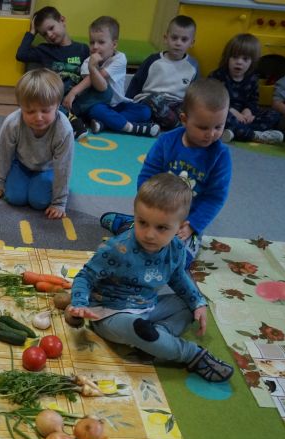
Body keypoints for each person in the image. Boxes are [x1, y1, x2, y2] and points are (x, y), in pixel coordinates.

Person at [67, 173, 233, 383]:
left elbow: (178, 277)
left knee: (190, 303)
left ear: (181, 227)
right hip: (111, 313)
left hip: (148, 306)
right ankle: (191, 355)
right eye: (142, 222)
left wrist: (197, 303)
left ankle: (158, 337)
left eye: (161, 227)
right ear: (135, 216)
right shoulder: (116, 249)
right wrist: (80, 303)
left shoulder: (176, 248)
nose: (149, 234)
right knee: (138, 329)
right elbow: (85, 276)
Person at [101, 79, 232, 267]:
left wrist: (193, 224)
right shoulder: (167, 142)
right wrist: (148, 209)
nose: (211, 134)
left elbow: (215, 197)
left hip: (186, 222)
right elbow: (147, 176)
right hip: (156, 214)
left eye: (218, 127)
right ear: (184, 119)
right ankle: (127, 223)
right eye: (203, 127)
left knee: (179, 260)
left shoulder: (220, 155)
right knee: (135, 243)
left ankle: (132, 224)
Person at [0, 69, 73, 218]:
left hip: (47, 168)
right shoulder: (12, 123)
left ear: (57, 105)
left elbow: (63, 166)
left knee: (39, 201)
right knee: (14, 198)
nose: (38, 117)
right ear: (20, 107)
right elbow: (3, 155)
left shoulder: (64, 130)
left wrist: (59, 202)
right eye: (30, 111)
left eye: (45, 110)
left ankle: (45, 185)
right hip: (21, 164)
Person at [63, 16, 158, 137]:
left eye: (101, 42)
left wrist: (74, 91)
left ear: (114, 44)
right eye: (92, 42)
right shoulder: (87, 62)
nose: (95, 46)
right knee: (96, 111)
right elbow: (100, 86)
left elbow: (101, 76)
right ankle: (131, 127)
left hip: (118, 104)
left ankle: (104, 124)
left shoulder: (119, 58)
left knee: (145, 111)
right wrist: (92, 66)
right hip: (99, 105)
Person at [15, 5, 90, 139]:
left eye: (51, 28)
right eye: (44, 34)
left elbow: (90, 77)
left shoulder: (82, 49)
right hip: (54, 100)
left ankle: (84, 119)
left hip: (76, 98)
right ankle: (73, 121)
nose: (49, 35)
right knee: (41, 102)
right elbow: (21, 55)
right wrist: (32, 32)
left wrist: (74, 93)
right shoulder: (45, 50)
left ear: (62, 20)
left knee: (98, 98)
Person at [127, 15, 199, 130]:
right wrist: (128, 102)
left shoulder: (193, 66)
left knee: (191, 109)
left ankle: (158, 124)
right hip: (151, 101)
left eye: (184, 40)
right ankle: (178, 126)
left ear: (192, 42)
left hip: (175, 105)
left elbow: (193, 95)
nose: (178, 43)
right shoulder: (153, 60)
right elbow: (136, 82)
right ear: (166, 38)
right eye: (174, 38)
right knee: (153, 100)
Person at [209, 33, 284, 145]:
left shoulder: (252, 78)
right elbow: (212, 100)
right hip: (226, 112)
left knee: (274, 115)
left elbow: (253, 100)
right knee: (218, 116)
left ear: (252, 62)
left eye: (245, 59)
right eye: (235, 57)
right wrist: (233, 112)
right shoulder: (218, 76)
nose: (239, 62)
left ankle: (237, 132)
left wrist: (248, 111)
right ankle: (254, 135)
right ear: (227, 58)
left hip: (243, 118)